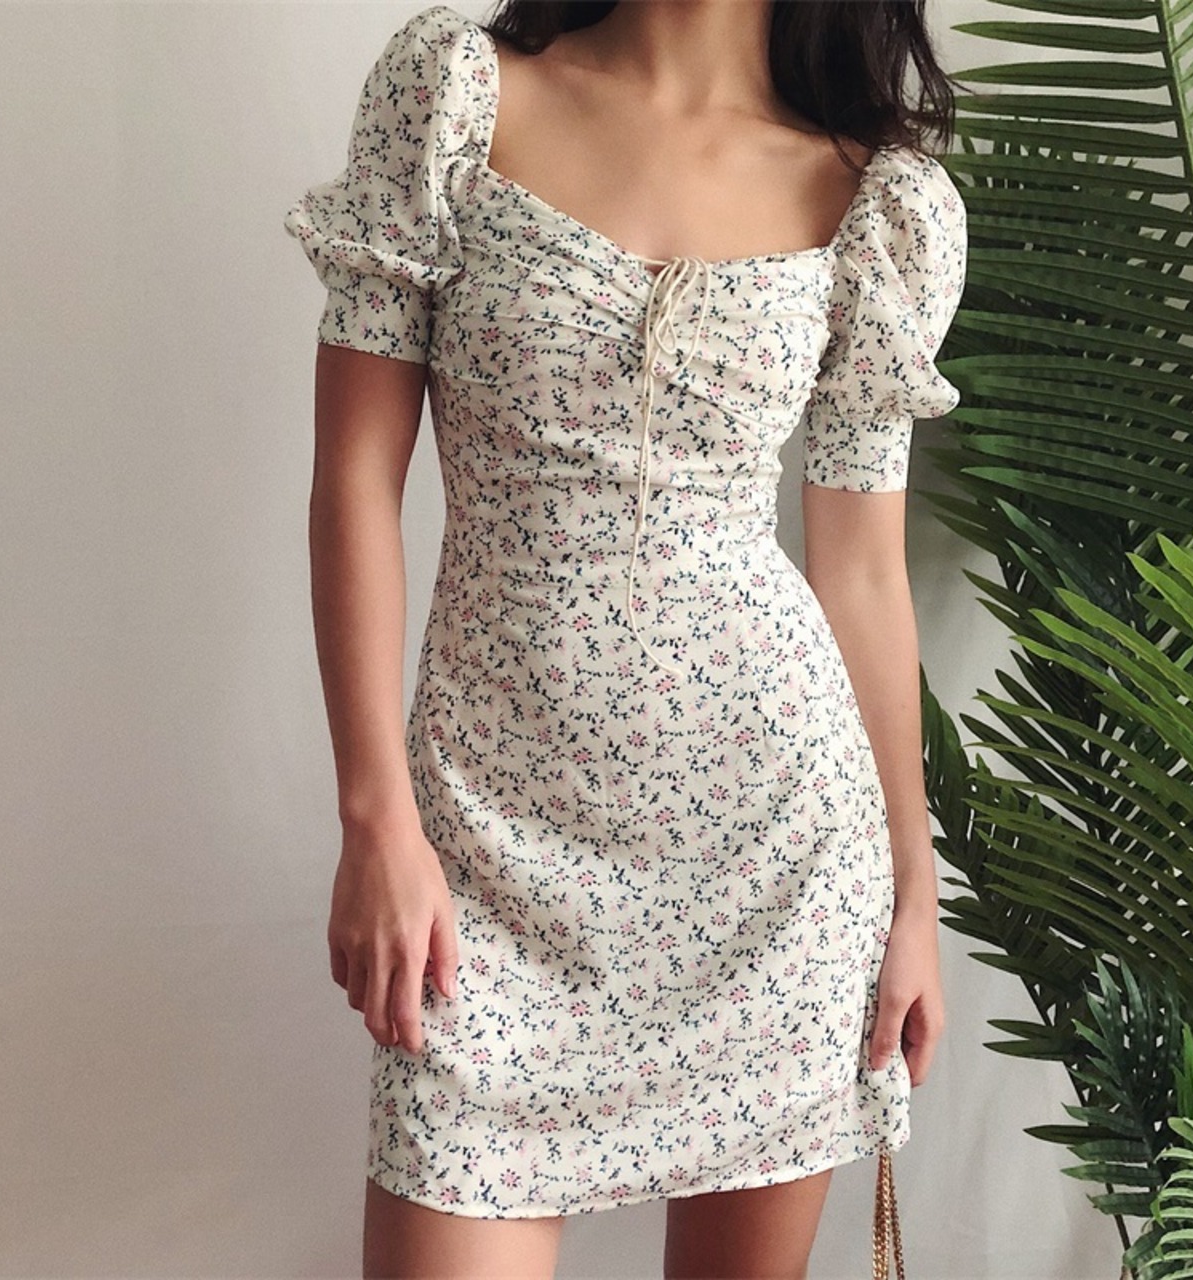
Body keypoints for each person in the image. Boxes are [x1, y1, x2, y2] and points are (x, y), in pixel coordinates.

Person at [284, 0, 966, 1274]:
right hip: (484, 861)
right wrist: (375, 819)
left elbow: (862, 573)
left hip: (778, 872)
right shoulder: (455, 95)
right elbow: (353, 480)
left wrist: (912, 898)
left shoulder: (874, 200)